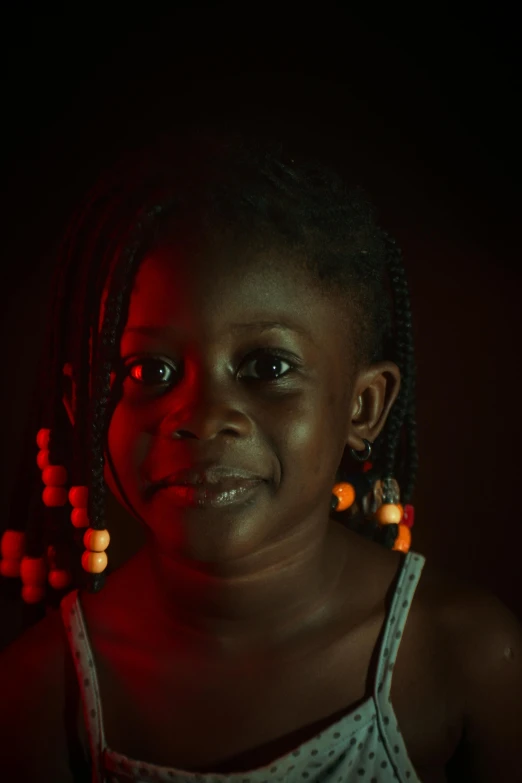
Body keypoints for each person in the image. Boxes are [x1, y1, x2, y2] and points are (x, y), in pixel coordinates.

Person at [1, 129, 521, 783]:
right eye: (149, 370)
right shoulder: (45, 690)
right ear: (85, 407)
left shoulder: (465, 654)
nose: (203, 415)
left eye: (267, 365)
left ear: (362, 406)